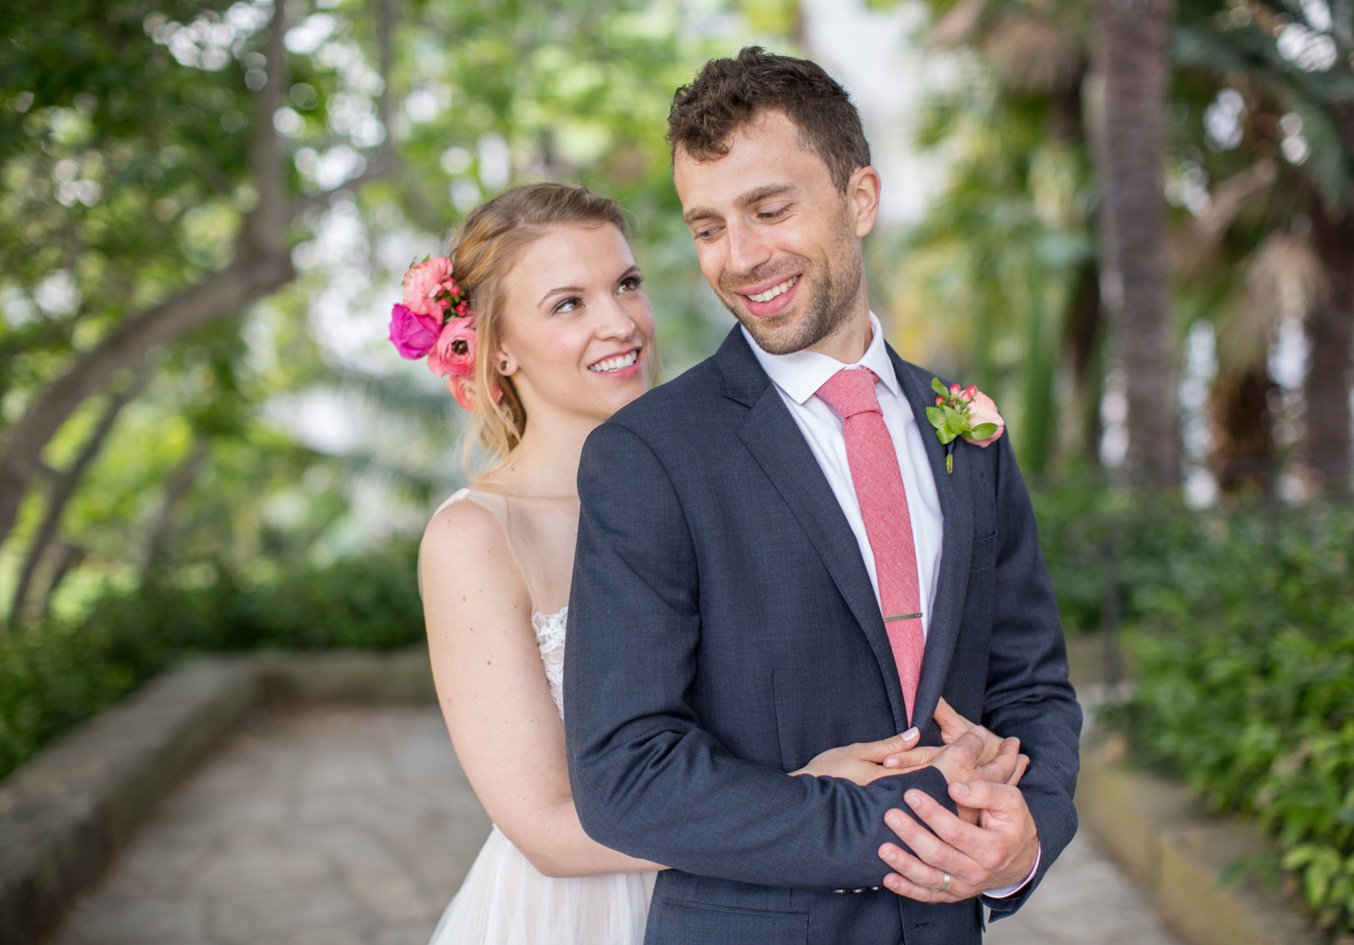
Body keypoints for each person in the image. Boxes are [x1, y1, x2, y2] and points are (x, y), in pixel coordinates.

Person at [564, 48, 1083, 945]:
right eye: (707, 227)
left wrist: (1024, 834)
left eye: (769, 209)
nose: (740, 257)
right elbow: (624, 776)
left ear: (860, 199)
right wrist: (909, 820)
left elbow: (1031, 686)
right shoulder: (646, 456)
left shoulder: (968, 429)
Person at [402, 183, 1011, 945]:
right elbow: (548, 829)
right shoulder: (475, 538)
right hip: (584, 913)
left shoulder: (707, 467)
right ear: (495, 347)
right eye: (568, 304)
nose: (620, 322)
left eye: (626, 284)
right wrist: (807, 798)